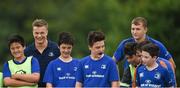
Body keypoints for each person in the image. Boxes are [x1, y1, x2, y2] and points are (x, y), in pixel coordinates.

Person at [24, 19, 60, 87]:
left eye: (42, 33)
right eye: (36, 33)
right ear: (33, 33)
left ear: (47, 32)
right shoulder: (27, 52)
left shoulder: (57, 49)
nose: (39, 36)